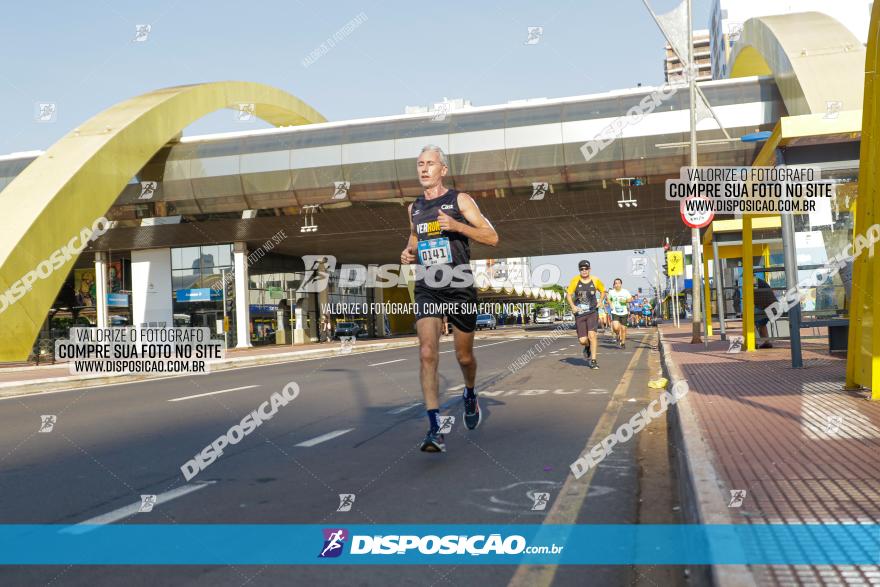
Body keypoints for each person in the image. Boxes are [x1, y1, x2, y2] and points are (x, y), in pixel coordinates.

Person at [400, 145, 499, 453]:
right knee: (427, 352)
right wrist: (407, 252)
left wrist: (456, 225)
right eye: (420, 164)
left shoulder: (460, 200)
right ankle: (434, 429)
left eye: (430, 164)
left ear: (443, 170)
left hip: (459, 284)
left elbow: (492, 238)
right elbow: (415, 238)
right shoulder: (414, 208)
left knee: (463, 357)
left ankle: (470, 393)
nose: (424, 169)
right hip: (428, 285)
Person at [565, 260, 606, 369]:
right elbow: (568, 295)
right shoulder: (575, 280)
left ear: (589, 269)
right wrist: (573, 306)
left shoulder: (595, 280)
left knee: (592, 335)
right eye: (581, 269)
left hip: (592, 312)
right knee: (583, 340)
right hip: (580, 313)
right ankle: (587, 347)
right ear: (579, 270)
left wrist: (600, 301)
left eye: (586, 268)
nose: (584, 271)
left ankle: (593, 360)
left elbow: (603, 291)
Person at [607, 278, 633, 348]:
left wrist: (625, 301)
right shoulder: (611, 292)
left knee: (623, 329)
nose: (617, 284)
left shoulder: (625, 291)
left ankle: (623, 342)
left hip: (624, 312)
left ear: (621, 284)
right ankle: (618, 334)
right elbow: (608, 299)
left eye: (618, 283)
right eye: (616, 283)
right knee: (615, 327)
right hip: (615, 311)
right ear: (614, 285)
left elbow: (631, 299)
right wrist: (610, 304)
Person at [754, 277, 777, 349]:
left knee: (753, 320)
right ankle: (766, 342)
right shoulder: (760, 282)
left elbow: (755, 296)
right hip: (771, 306)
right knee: (760, 322)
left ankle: (755, 342)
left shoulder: (754, 282)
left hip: (768, 307)